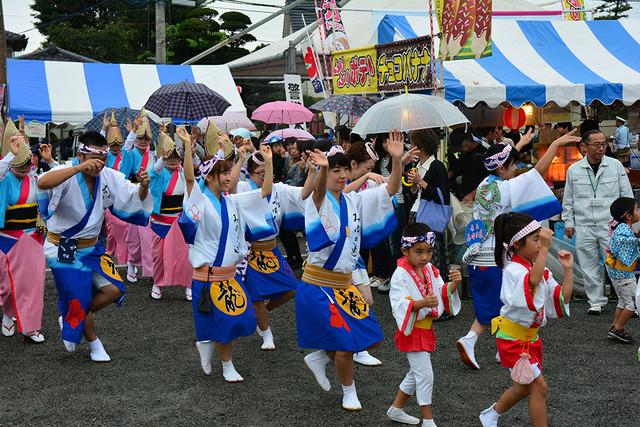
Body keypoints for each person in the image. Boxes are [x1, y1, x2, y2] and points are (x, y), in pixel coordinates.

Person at [457, 129, 581, 370]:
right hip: (496, 257)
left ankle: (498, 349)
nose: (516, 169)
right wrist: (555, 144)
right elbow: (536, 174)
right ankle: (470, 339)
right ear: (502, 168)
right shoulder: (506, 188)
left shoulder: (486, 185)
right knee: (505, 304)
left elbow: (521, 173)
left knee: (494, 303)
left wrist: (521, 144)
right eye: (513, 165)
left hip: (476, 254)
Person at [298, 131, 403, 411]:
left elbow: (389, 190)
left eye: (345, 169)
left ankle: (320, 357)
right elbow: (318, 192)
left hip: (344, 284)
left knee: (370, 336)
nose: (342, 174)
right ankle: (349, 391)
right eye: (336, 170)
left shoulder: (353, 201)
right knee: (346, 344)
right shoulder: (316, 201)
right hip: (319, 286)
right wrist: (320, 169)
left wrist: (396, 161)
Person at [37, 130, 152, 362]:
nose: (99, 164)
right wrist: (79, 169)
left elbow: (132, 196)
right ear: (81, 155)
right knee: (79, 296)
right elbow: (42, 182)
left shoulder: (109, 176)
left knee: (115, 289)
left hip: (92, 248)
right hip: (63, 249)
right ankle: (94, 344)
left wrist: (144, 186)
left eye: (103, 159)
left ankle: (72, 315)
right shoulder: (66, 172)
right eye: (95, 159)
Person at [178, 128, 278, 382]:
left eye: (228, 172)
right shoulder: (198, 199)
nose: (228, 177)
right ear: (209, 177)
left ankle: (206, 344)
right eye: (223, 173)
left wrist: (268, 163)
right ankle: (226, 364)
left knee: (242, 319)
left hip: (230, 276)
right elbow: (190, 180)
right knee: (225, 323)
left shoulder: (232, 201)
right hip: (208, 275)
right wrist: (189, 146)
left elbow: (264, 192)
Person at [479, 213, 573, 427]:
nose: (540, 244)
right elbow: (532, 282)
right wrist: (547, 249)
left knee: (522, 387)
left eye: (540, 239)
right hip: (513, 340)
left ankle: (491, 415)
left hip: (530, 340)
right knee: (540, 387)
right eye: (536, 239)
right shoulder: (514, 269)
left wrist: (568, 270)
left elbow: (562, 298)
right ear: (517, 244)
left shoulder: (538, 268)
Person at [235, 149, 316, 351]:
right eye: (260, 173)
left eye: (266, 171)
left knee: (290, 289)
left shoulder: (279, 189)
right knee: (257, 297)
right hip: (251, 252)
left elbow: (304, 194)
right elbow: (231, 184)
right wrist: (240, 159)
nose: (264, 176)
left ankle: (260, 314)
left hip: (272, 250)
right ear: (251, 174)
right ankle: (266, 332)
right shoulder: (245, 188)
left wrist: (314, 171)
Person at [386, 223, 462, 427]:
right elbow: (399, 303)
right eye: (419, 251)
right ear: (405, 250)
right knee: (425, 375)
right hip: (411, 329)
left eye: (429, 251)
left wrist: (454, 285)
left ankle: (396, 409)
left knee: (416, 372)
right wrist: (421, 303)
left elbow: (440, 291)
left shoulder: (429, 269)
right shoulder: (400, 274)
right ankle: (428, 420)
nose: (425, 256)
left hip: (424, 328)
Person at [562, 129, 633, 314]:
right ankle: (596, 302)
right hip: (584, 225)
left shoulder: (615, 165)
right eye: (597, 145)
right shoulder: (574, 170)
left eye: (604, 144)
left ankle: (628, 302)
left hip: (610, 226)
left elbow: (627, 195)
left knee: (617, 263)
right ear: (584, 147)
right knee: (588, 265)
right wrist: (569, 222)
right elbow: (568, 199)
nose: (602, 148)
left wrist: (627, 221)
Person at [0, 121, 48, 343]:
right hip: (7, 238)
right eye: (20, 164)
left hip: (32, 237)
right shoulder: (3, 179)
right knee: (7, 285)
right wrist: (11, 155)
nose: (25, 167)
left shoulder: (36, 180)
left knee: (34, 283)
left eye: (27, 163)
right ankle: (8, 314)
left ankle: (31, 327)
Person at [343, 140, 389, 366]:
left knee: (366, 299)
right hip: (337, 255)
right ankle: (354, 347)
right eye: (367, 168)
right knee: (357, 300)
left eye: (371, 169)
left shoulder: (362, 185)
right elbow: (340, 194)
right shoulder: (341, 180)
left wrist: (399, 161)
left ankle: (348, 349)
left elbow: (388, 189)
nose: (370, 173)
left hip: (353, 252)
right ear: (353, 164)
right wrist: (366, 177)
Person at [147, 131, 193, 301]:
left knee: (184, 256)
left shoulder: (183, 173)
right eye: (169, 158)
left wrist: (189, 150)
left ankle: (188, 284)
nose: (173, 160)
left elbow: (194, 177)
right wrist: (162, 158)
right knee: (158, 255)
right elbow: (152, 173)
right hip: (161, 220)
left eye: (176, 157)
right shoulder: (159, 174)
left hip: (180, 221)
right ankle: (157, 283)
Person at [407, 129, 451, 281]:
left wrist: (420, 182)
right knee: (415, 253)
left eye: (413, 145)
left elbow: (441, 196)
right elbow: (414, 193)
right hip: (416, 212)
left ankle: (435, 286)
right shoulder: (417, 165)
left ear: (421, 147)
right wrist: (414, 185)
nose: (411, 148)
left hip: (429, 217)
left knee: (429, 253)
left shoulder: (437, 166)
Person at [124, 109, 156, 283]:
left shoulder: (154, 155)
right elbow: (125, 150)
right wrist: (133, 131)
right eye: (140, 138)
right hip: (134, 194)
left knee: (148, 234)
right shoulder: (130, 153)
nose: (143, 141)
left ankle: (151, 269)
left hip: (150, 197)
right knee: (133, 236)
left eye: (146, 138)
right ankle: (131, 262)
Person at [604, 197, 639, 343]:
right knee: (633, 303)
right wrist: (637, 240)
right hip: (623, 274)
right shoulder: (624, 230)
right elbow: (626, 243)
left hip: (617, 272)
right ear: (628, 216)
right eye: (637, 209)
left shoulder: (621, 227)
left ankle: (614, 326)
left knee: (623, 301)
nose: (639, 212)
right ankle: (618, 328)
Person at [102, 111, 133, 265]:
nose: (115, 147)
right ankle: (111, 251)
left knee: (121, 226)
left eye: (118, 144)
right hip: (107, 195)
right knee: (111, 227)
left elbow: (129, 146)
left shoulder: (126, 155)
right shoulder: (104, 156)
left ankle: (122, 256)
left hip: (122, 195)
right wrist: (104, 129)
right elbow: (97, 149)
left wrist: (132, 132)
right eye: (112, 145)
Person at [450, 131, 488, 202]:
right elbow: (456, 170)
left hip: (480, 198)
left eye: (460, 147)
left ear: (468, 140)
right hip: (466, 197)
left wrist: (472, 195)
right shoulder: (464, 154)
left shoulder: (483, 154)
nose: (460, 150)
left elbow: (489, 181)